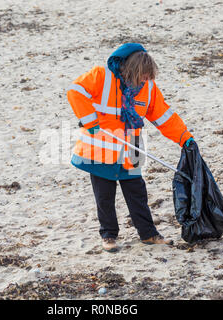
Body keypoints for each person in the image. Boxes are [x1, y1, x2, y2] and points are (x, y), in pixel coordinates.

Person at [67, 43, 194, 252]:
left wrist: (184, 138)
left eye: (148, 76)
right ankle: (108, 236)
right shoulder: (102, 76)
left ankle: (149, 234)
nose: (146, 80)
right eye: (143, 76)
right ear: (131, 70)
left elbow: (164, 116)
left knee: (137, 192)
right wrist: (90, 121)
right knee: (104, 195)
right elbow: (75, 91)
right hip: (100, 149)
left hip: (131, 148)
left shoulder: (149, 87)